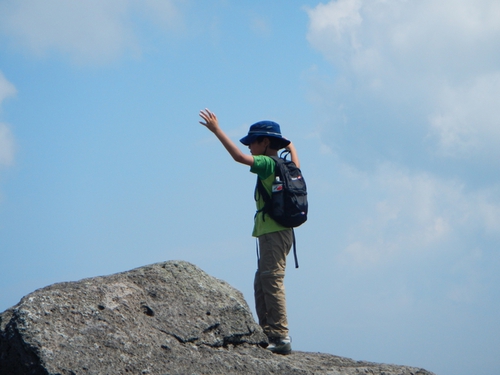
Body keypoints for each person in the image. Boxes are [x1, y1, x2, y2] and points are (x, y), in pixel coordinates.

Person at [199, 108, 299, 355]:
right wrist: (290, 144)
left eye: (253, 142)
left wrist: (216, 131)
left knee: (271, 280)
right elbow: (296, 160)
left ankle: (280, 336)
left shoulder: (267, 163)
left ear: (265, 142)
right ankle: (268, 332)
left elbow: (239, 158)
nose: (250, 146)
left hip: (273, 233)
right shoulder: (287, 165)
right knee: (262, 281)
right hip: (282, 233)